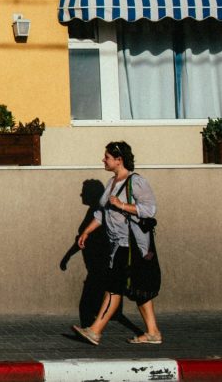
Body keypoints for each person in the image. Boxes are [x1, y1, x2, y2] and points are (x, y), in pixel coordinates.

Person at [72, 141, 162, 345]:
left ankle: (95, 331)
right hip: (117, 245)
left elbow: (149, 209)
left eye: (107, 157)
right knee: (137, 288)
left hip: (131, 245)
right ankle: (153, 332)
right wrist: (86, 232)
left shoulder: (135, 182)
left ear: (119, 160)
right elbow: (102, 214)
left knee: (114, 288)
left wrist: (122, 205)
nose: (103, 160)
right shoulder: (112, 183)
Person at [59, 179, 111, 327]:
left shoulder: (97, 212)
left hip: (98, 265)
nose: (81, 194)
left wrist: (67, 256)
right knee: (94, 301)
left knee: (87, 303)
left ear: (92, 194)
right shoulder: (95, 210)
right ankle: (91, 328)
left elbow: (83, 238)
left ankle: (89, 330)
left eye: (84, 191)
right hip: (96, 265)